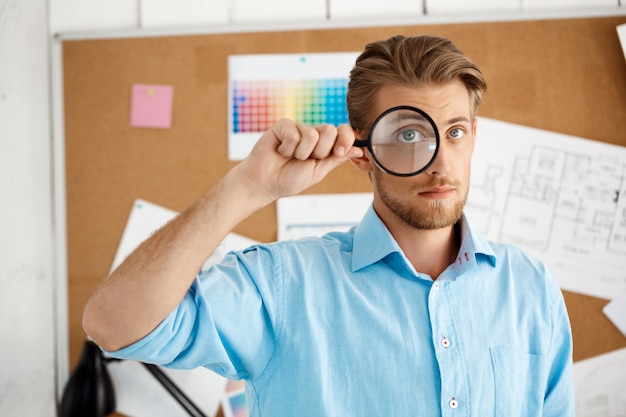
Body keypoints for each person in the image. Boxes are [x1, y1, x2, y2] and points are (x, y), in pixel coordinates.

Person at [83, 35, 574, 416]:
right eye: (408, 134)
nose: (441, 162)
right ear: (365, 154)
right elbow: (112, 324)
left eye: (456, 133)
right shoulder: (281, 285)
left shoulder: (530, 287)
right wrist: (249, 187)